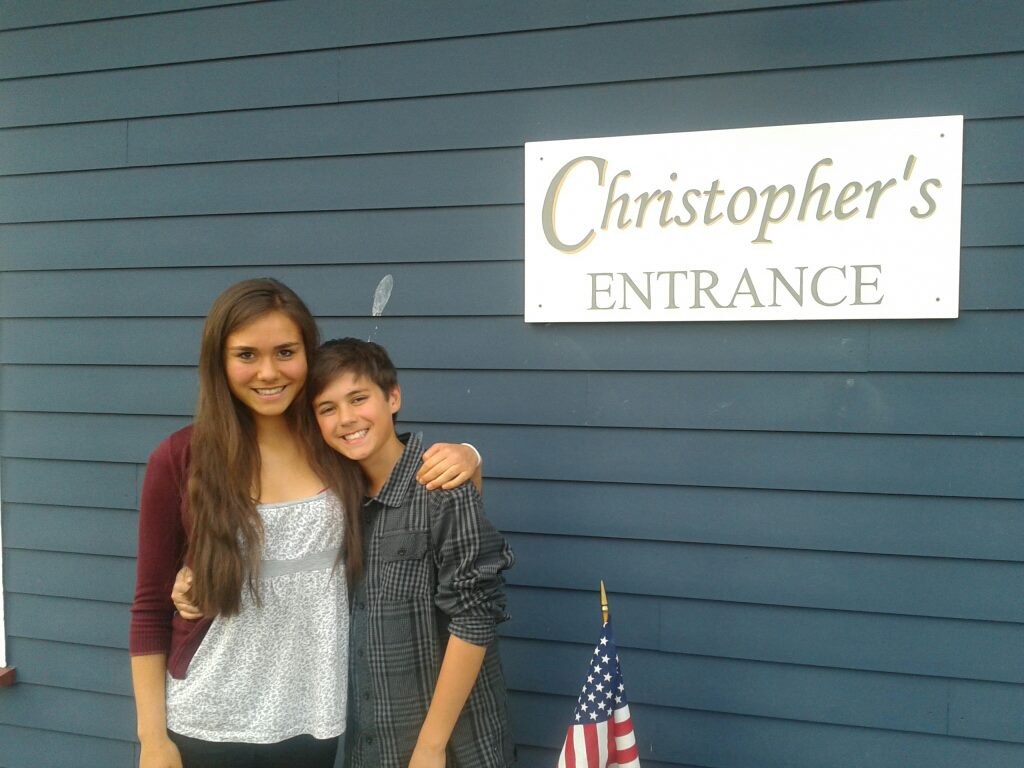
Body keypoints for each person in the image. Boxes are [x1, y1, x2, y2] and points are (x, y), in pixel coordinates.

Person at [129, 278, 482, 768]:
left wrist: (470, 456)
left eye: (285, 352)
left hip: (313, 719)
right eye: (246, 355)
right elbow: (149, 608)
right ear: (219, 362)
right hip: (206, 721)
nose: (268, 372)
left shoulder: (335, 446)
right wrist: (152, 740)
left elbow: (406, 473)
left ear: (307, 354)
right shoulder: (180, 458)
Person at [309, 338, 515, 768]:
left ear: (393, 397)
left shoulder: (441, 487)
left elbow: (475, 617)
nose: (346, 418)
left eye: (358, 398)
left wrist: (431, 746)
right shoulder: (332, 502)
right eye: (327, 408)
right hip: (370, 745)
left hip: (451, 749)